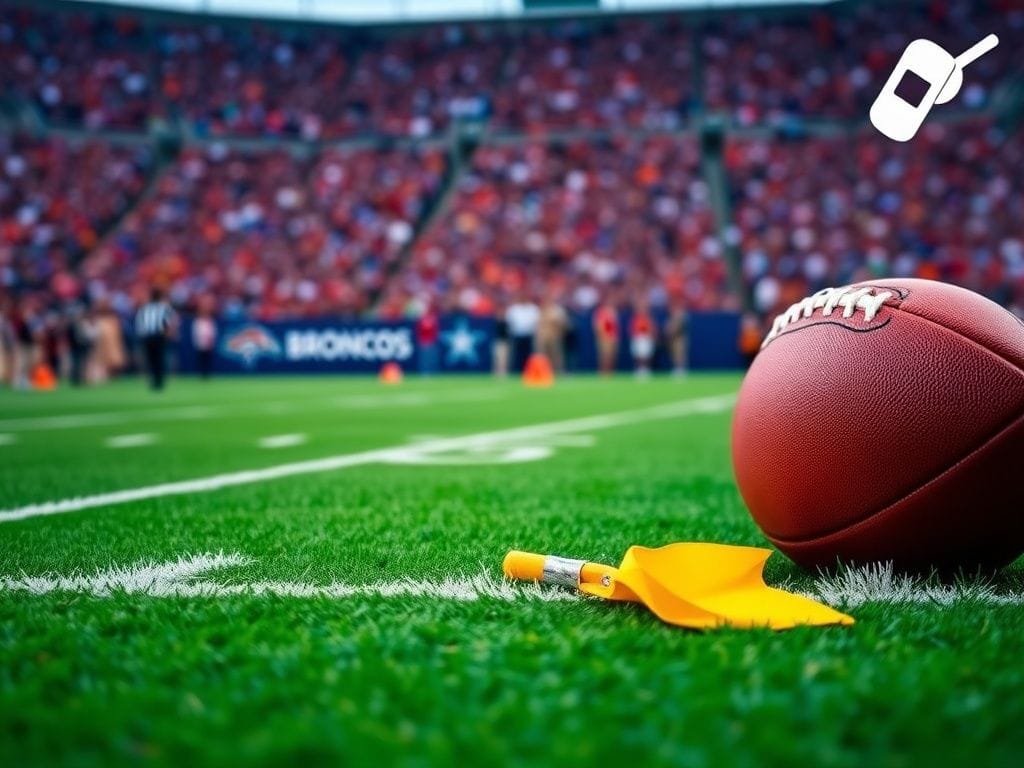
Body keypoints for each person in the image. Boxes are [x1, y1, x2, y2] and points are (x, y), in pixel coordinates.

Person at [135, 287, 175, 391]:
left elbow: (140, 323)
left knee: (151, 360)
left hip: (148, 336)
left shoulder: (144, 308)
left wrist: (141, 335)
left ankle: (154, 380)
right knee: (159, 359)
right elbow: (168, 323)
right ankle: (159, 381)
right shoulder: (164, 307)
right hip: (159, 336)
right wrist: (168, 335)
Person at [506, 294, 540, 373]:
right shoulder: (514, 309)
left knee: (529, 356)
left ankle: (529, 371)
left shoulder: (533, 309)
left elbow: (536, 323)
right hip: (517, 336)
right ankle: (516, 372)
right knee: (517, 356)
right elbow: (510, 323)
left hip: (529, 335)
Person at [536, 294, 568, 373]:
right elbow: (538, 324)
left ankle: (559, 371)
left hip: (554, 336)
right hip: (543, 337)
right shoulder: (541, 310)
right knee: (543, 357)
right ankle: (544, 372)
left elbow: (564, 324)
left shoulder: (557, 310)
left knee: (556, 356)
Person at [192, 297, 218, 380]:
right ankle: (201, 374)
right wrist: (198, 341)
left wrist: (211, 341)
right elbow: (196, 333)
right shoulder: (198, 321)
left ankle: (207, 374)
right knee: (201, 360)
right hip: (200, 343)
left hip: (208, 344)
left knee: (207, 360)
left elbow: (213, 332)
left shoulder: (210, 321)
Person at [593, 298, 619, 375]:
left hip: (612, 337)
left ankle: (610, 373)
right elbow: (598, 326)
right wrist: (602, 335)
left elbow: (615, 326)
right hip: (604, 337)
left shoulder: (613, 311)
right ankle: (603, 372)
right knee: (604, 356)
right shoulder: (600, 312)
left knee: (612, 356)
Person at [630, 298, 655, 378]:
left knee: (646, 356)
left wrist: (650, 335)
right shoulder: (635, 319)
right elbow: (632, 330)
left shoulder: (648, 319)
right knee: (638, 356)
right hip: (638, 339)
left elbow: (652, 329)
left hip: (646, 339)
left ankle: (645, 370)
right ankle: (639, 370)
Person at [416, 303, 440, 375]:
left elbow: (436, 331)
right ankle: (424, 372)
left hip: (432, 343)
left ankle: (434, 372)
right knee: (424, 359)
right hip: (424, 343)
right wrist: (421, 341)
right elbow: (419, 331)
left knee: (433, 359)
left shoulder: (433, 319)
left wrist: (434, 341)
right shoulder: (422, 320)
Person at [666, 299, 689, 377]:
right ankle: (677, 369)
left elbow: (678, 327)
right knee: (675, 356)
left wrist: (672, 329)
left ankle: (681, 370)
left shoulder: (682, 315)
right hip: (673, 340)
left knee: (680, 355)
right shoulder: (671, 317)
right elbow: (669, 329)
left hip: (680, 339)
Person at [492, 300, 510, 377]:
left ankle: (503, 373)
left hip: (504, 341)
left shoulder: (506, 321)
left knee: (504, 359)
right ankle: (496, 372)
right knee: (496, 358)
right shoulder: (496, 321)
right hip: (497, 341)